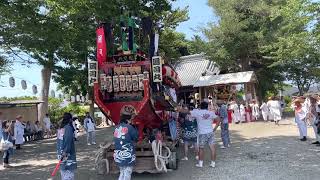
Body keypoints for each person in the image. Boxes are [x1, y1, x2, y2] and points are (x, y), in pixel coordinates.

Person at [191, 101, 221, 168]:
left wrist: (177, 108)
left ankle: (200, 163)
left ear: (200, 106)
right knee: (212, 148)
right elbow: (218, 119)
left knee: (201, 148)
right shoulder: (211, 113)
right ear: (207, 106)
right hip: (210, 132)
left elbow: (187, 112)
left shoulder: (197, 112)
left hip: (202, 133)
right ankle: (213, 163)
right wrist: (215, 128)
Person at [113, 113, 138, 180]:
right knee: (127, 172)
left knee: (122, 172)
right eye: (130, 120)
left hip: (118, 154)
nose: (131, 121)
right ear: (127, 120)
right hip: (127, 155)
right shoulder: (129, 127)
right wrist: (134, 127)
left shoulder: (116, 128)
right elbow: (135, 137)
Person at [57, 112, 77, 180]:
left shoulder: (61, 128)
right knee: (68, 173)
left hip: (61, 152)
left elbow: (60, 141)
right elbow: (68, 141)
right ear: (70, 120)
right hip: (67, 153)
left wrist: (61, 152)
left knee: (64, 173)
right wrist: (66, 151)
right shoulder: (68, 128)